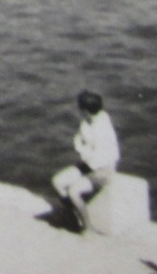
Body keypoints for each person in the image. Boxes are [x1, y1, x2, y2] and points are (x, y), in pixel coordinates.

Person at [51, 90, 121, 233]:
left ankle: (87, 228)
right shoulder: (88, 121)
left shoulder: (103, 128)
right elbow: (79, 140)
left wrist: (82, 150)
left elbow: (96, 159)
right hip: (89, 165)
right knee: (57, 182)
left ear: (85, 111)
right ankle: (73, 216)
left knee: (74, 191)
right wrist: (83, 150)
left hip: (103, 170)